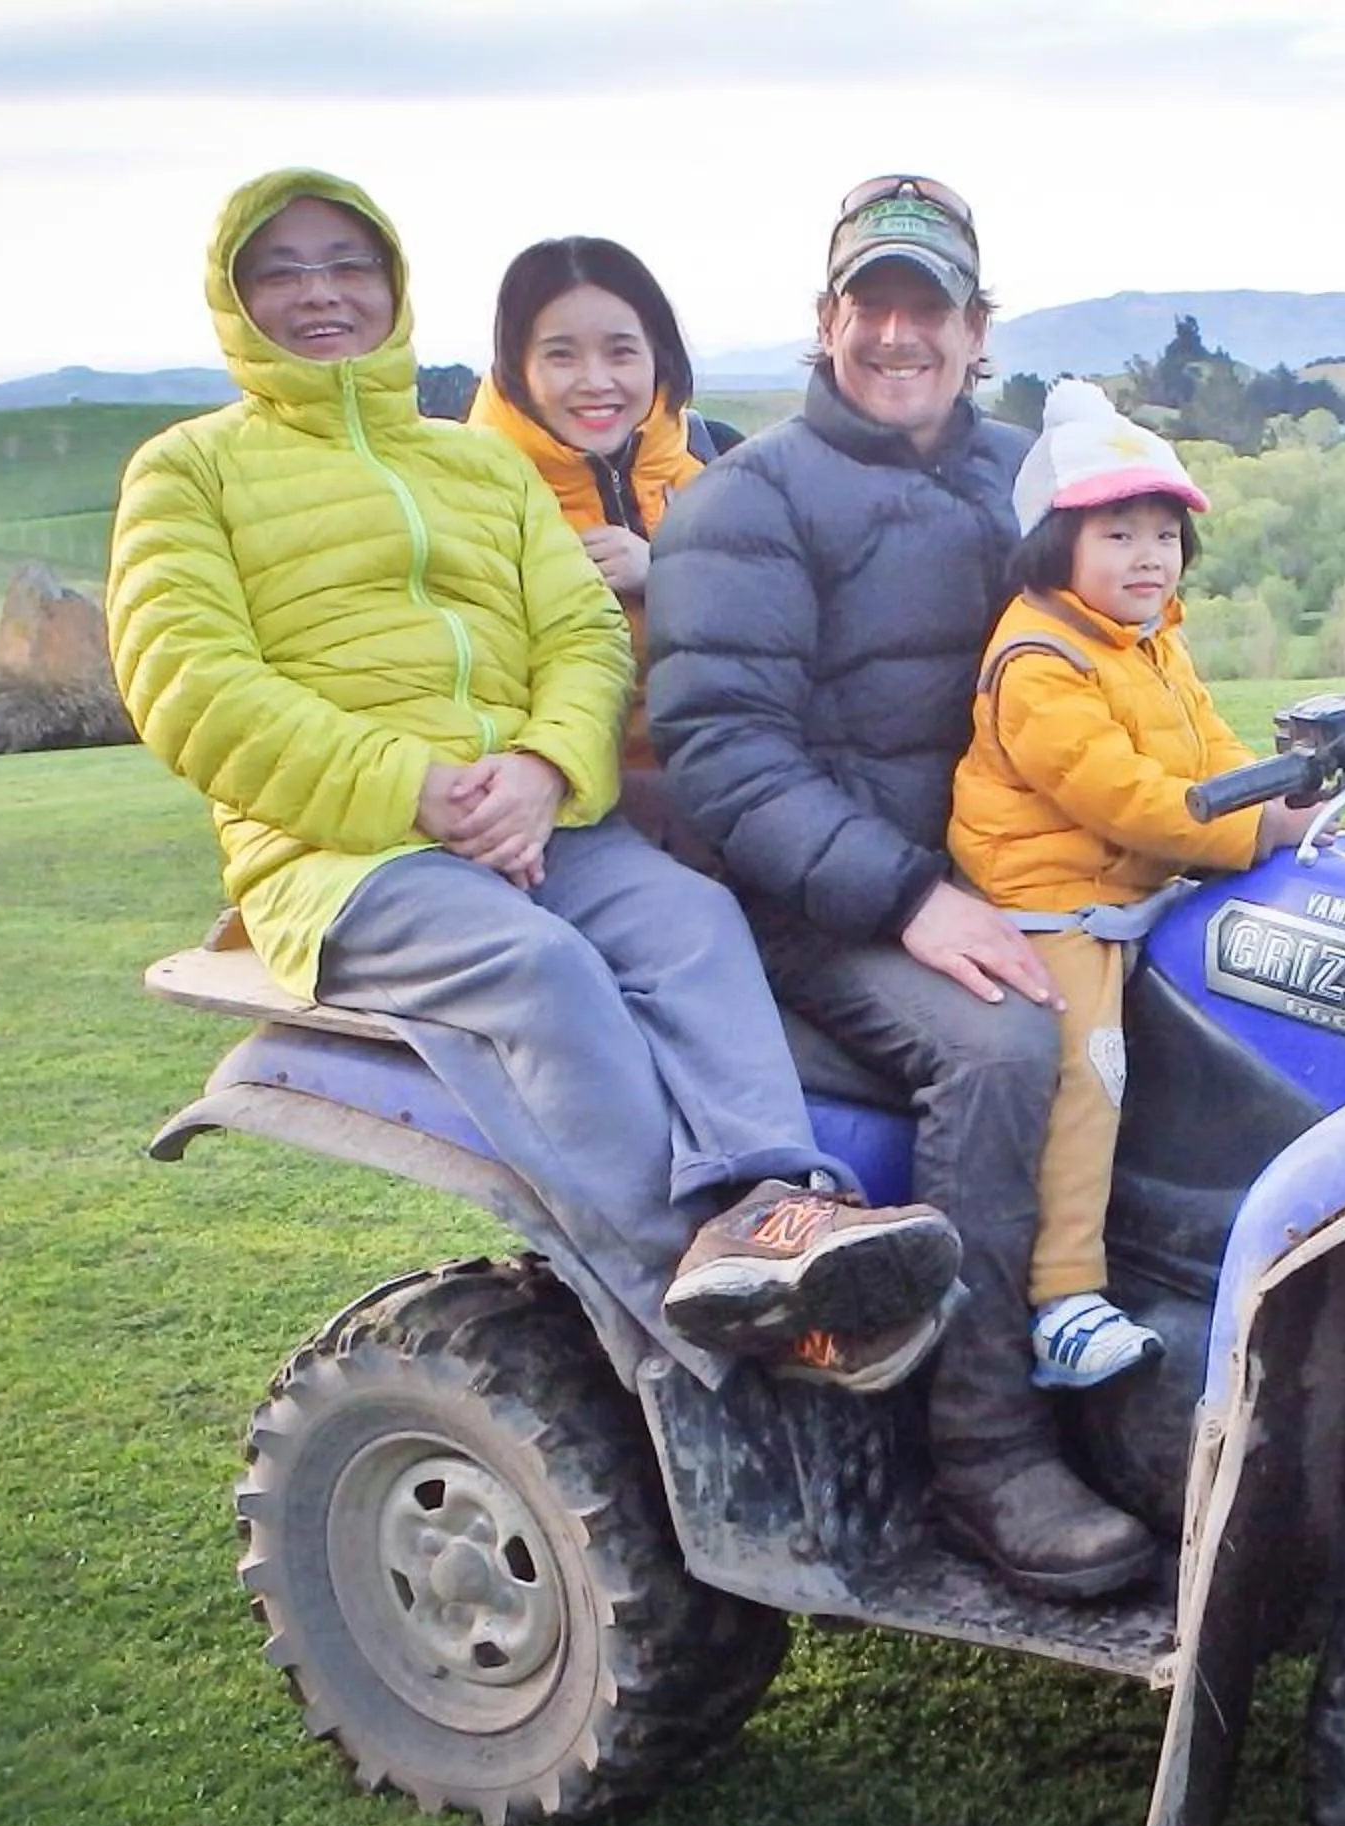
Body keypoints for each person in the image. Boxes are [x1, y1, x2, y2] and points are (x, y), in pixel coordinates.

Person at [106, 169, 961, 1395]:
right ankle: (718, 1293)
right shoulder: (187, 473)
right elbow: (187, 686)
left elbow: (585, 639)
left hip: (530, 813)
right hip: (347, 852)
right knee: (540, 968)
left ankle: (782, 1208)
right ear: (235, 296)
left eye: (347, 264)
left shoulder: (481, 470)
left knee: (688, 917)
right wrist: (417, 789)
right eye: (283, 269)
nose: (321, 293)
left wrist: (540, 766)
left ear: (392, 285)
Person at [647, 177, 1155, 1600]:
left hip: (1026, 870)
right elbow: (725, 758)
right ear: (825, 321)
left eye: (925, 306)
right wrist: (909, 899)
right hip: (826, 904)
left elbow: (1127, 644)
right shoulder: (746, 504)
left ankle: (1130, 1352)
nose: (894, 332)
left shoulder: (1037, 478)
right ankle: (988, 1455)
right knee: (1003, 1047)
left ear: (977, 328)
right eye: (868, 303)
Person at [947, 379, 1319, 1390]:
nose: (1147, 556)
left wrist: (1291, 796)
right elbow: (1124, 797)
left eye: (1162, 533)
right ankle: (1063, 1297)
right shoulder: (1038, 658)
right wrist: (1252, 831)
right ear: (1055, 544)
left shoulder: (1154, 643)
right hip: (1054, 897)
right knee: (1091, 1069)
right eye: (1118, 534)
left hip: (1137, 883)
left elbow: (1213, 751)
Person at [465, 237, 727, 841]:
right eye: (561, 355)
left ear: (657, 355)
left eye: (621, 352)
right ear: (516, 365)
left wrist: (667, 574)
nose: (596, 380)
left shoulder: (717, 463)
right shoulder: (465, 494)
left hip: (721, 797)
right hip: (557, 820)